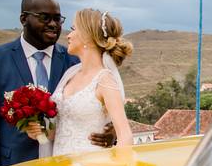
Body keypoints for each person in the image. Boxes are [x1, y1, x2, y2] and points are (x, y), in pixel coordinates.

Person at [0, 0, 115, 166]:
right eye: (45, 18)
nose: (53, 25)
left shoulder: (75, 61)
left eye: (58, 19)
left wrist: (112, 131)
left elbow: (104, 101)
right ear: (23, 19)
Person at [25, 9, 133, 156]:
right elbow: (57, 132)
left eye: (73, 29)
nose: (68, 35)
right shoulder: (70, 74)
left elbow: (125, 136)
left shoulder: (104, 80)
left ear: (87, 37)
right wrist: (38, 132)